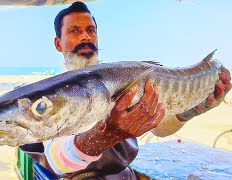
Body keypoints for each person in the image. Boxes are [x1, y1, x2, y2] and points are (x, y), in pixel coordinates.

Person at [20, 2, 231, 179]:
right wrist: (106, 135)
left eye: (90, 30)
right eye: (74, 31)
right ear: (58, 43)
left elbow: (157, 127)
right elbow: (57, 159)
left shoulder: (126, 79)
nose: (85, 37)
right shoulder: (53, 95)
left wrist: (190, 111)